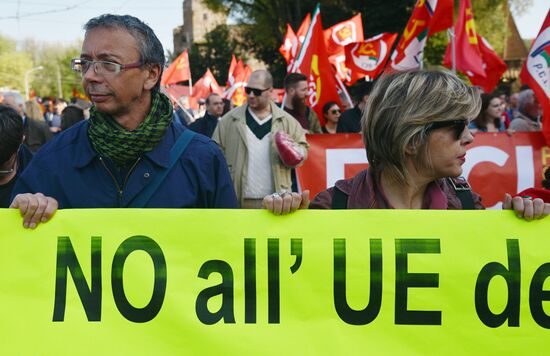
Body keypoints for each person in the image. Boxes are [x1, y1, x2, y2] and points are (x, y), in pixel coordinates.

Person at [11, 14, 237, 212]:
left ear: (151, 75)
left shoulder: (201, 159)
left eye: (109, 64)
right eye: (85, 63)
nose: (90, 75)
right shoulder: (54, 159)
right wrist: (25, 210)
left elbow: (230, 245)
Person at [263, 70, 550, 220]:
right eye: (456, 127)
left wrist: (521, 230)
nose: (469, 137)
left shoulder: (466, 205)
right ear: (411, 140)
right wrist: (287, 224)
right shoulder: (332, 208)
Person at [213, 69, 309, 208]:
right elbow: (214, 154)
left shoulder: (287, 121)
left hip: (277, 202)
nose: (251, 95)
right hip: (238, 199)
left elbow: (303, 151)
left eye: (257, 91)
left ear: (270, 91)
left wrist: (294, 151)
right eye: (248, 90)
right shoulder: (229, 120)